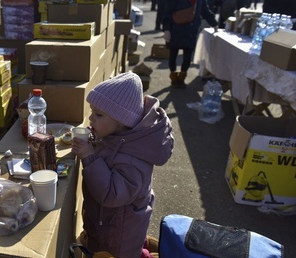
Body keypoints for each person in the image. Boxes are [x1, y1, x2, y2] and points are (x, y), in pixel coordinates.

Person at [72, 72, 174, 258]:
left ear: (121, 122)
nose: (91, 118)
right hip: (107, 224)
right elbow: (109, 154)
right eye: (92, 111)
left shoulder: (133, 160)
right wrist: (94, 141)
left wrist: (89, 155)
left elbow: (112, 194)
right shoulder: (117, 137)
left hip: (119, 236)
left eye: (99, 115)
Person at [163, 0, 218, 88]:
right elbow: (167, 13)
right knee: (173, 54)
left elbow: (205, 11)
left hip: (191, 31)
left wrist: (214, 24)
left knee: (187, 56)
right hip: (175, 30)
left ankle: (182, 78)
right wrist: (166, 29)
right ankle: (174, 78)